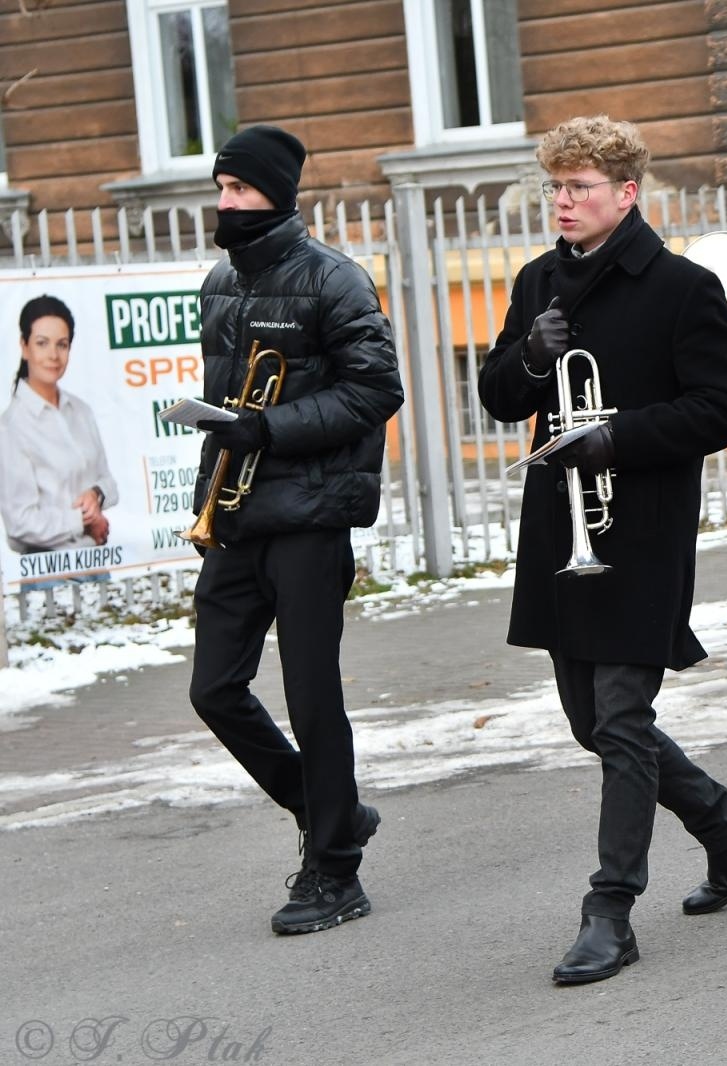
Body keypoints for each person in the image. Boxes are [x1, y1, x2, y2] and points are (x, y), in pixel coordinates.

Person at [477, 115, 727, 985]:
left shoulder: (680, 288)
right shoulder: (538, 282)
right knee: (591, 722)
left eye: (581, 188)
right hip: (559, 530)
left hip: (637, 529)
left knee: (619, 715)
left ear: (628, 193)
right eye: (556, 188)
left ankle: (610, 908)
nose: (563, 203)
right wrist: (530, 358)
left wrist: (618, 438)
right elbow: (497, 396)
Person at [187, 125, 403, 933]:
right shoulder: (220, 282)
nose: (225, 204)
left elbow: (376, 390)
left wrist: (269, 429)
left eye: (239, 190)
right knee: (214, 689)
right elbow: (231, 406)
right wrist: (217, 478)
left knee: (314, 697)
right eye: (221, 189)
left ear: (277, 193)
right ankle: (331, 811)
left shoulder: (335, 281)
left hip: (311, 516)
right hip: (240, 513)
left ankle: (335, 873)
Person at [0, 295, 117, 555]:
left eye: (62, 344)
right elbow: (20, 522)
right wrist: (84, 520)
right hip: (47, 576)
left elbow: (109, 482)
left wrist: (96, 494)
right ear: (24, 345)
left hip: (95, 562)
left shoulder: (80, 411)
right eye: (42, 343)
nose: (53, 355)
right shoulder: (11, 427)